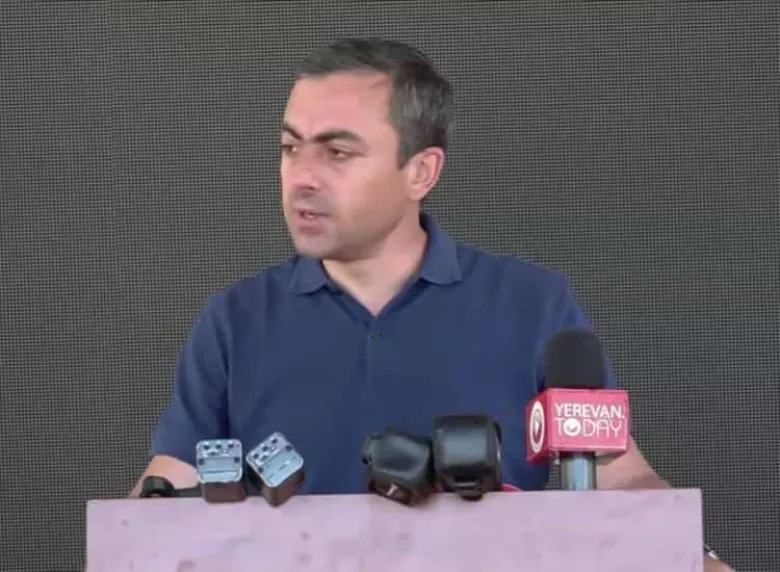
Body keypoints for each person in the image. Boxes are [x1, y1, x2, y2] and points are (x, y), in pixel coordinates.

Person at [130, 37, 732, 571]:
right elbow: (164, 495)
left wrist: (692, 556)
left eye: (337, 153)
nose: (302, 176)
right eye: (290, 148)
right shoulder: (235, 320)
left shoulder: (532, 304)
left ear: (421, 171)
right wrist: (125, 545)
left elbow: (621, 478)